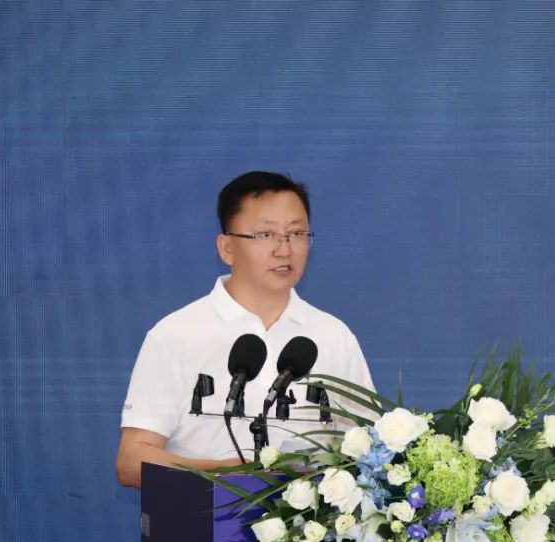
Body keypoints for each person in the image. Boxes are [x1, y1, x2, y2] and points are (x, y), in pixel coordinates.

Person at [115, 171, 376, 487]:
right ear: (226, 248)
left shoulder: (333, 337)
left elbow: (371, 452)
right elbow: (132, 461)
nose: (284, 250)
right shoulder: (176, 335)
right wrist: (229, 475)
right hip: (202, 516)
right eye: (266, 235)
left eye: (296, 233)